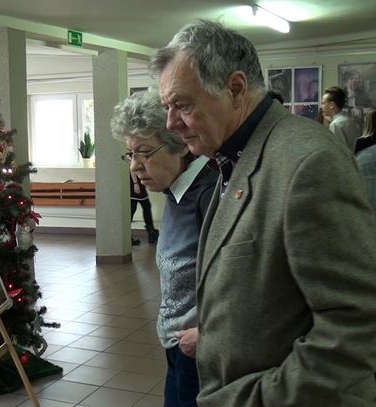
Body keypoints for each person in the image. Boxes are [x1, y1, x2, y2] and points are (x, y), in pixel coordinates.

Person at [151, 19, 376, 406]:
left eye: (182, 105)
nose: (172, 123)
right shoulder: (234, 155)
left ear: (235, 89)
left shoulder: (308, 161)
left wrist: (260, 399)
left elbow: (357, 323)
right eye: (167, 108)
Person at [111, 88, 217, 406]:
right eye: (130, 154)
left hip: (201, 350)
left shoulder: (209, 193)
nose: (134, 166)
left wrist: (209, 332)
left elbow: (243, 278)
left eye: (144, 153)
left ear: (179, 146)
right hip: (179, 344)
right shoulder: (176, 190)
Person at [321, 86, 361, 152]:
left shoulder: (336, 124)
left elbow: (338, 152)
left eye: (323, 103)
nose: (321, 106)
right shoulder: (350, 120)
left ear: (331, 105)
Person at [129, 174, 158, 244]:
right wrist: (135, 183)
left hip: (137, 182)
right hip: (135, 183)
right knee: (136, 208)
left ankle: (152, 234)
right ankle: (152, 234)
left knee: (145, 207)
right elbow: (131, 169)